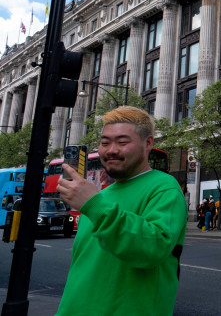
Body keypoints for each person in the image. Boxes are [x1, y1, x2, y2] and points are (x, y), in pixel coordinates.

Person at [55, 106, 187, 316]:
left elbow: (153, 248)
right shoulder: (101, 196)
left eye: (123, 142)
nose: (111, 150)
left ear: (148, 143)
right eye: (105, 143)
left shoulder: (164, 187)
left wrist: (94, 205)